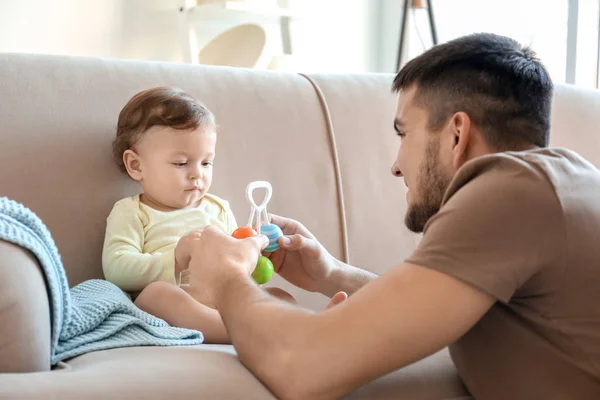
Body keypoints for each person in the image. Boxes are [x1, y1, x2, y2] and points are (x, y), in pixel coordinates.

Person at [182, 33, 600, 400]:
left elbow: (303, 367)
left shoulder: (506, 193)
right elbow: (444, 313)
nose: (397, 166)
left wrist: (227, 281)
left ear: (457, 134)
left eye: (404, 133)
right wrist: (332, 273)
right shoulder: (563, 183)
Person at [101, 87, 346, 344]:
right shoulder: (132, 211)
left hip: (224, 298)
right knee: (155, 294)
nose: (198, 174)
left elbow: (238, 267)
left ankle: (308, 326)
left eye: (206, 163)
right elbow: (116, 269)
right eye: (182, 163)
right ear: (136, 165)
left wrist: (255, 254)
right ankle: (250, 332)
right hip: (178, 300)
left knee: (279, 295)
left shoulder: (217, 207)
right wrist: (175, 258)